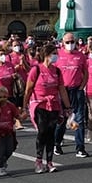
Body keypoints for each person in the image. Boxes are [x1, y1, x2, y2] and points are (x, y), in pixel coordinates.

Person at [24, 42, 70, 174]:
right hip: (40, 104)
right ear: (47, 55)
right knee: (42, 131)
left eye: (56, 54)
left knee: (51, 133)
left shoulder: (57, 71)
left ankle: (49, 161)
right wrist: (24, 106)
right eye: (54, 54)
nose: (56, 56)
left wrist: (67, 107)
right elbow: (28, 89)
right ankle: (39, 160)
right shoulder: (36, 70)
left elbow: (62, 89)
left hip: (54, 105)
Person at [57, 33, 89, 157]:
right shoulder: (58, 55)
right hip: (62, 90)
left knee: (79, 119)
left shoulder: (80, 56)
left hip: (76, 90)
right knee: (62, 119)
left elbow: (85, 73)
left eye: (72, 41)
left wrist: (82, 87)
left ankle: (80, 147)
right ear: (62, 42)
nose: (70, 44)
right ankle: (57, 143)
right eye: (67, 42)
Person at [0, 85, 19, 177]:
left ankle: (4, 160)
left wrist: (22, 116)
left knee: (10, 149)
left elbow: (17, 116)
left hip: (9, 131)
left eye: (5, 97)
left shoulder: (11, 106)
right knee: (1, 150)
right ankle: (0, 166)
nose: (2, 99)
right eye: (0, 97)